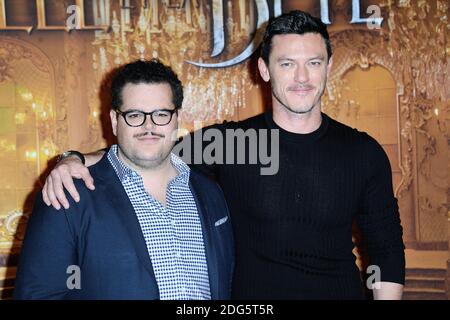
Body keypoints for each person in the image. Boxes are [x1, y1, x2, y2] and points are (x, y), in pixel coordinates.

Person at [40, 11, 405, 300]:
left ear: (328, 65)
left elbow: (387, 250)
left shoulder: (362, 151)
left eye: (313, 62)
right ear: (264, 69)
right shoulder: (233, 141)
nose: (302, 77)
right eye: (287, 63)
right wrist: (73, 158)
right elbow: (145, 148)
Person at [14, 60, 234, 300]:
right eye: (134, 115)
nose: (149, 126)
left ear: (176, 118)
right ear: (114, 120)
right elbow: (40, 295)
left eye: (161, 114)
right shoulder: (67, 194)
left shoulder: (210, 191)